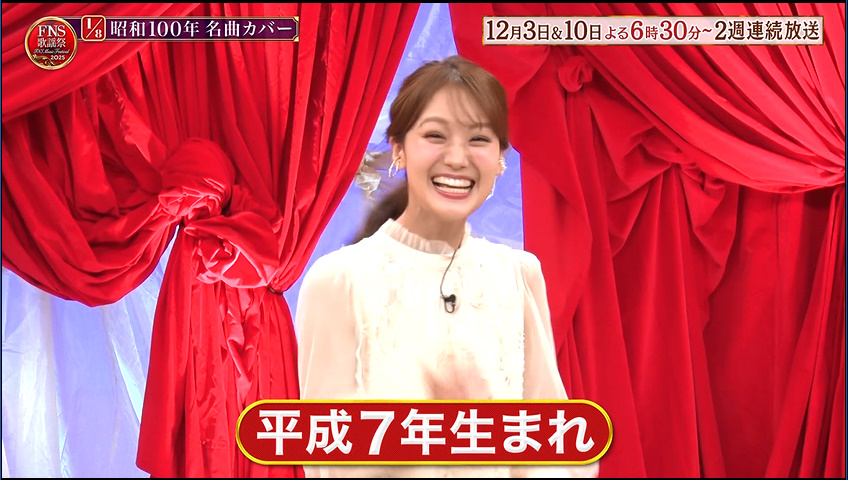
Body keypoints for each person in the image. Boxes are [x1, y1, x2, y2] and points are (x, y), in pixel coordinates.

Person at [295, 55, 599, 478]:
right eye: (435, 135)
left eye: (479, 139)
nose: (457, 158)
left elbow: (559, 452)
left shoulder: (519, 274)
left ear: (500, 159)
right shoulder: (338, 280)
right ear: (399, 149)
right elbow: (325, 463)